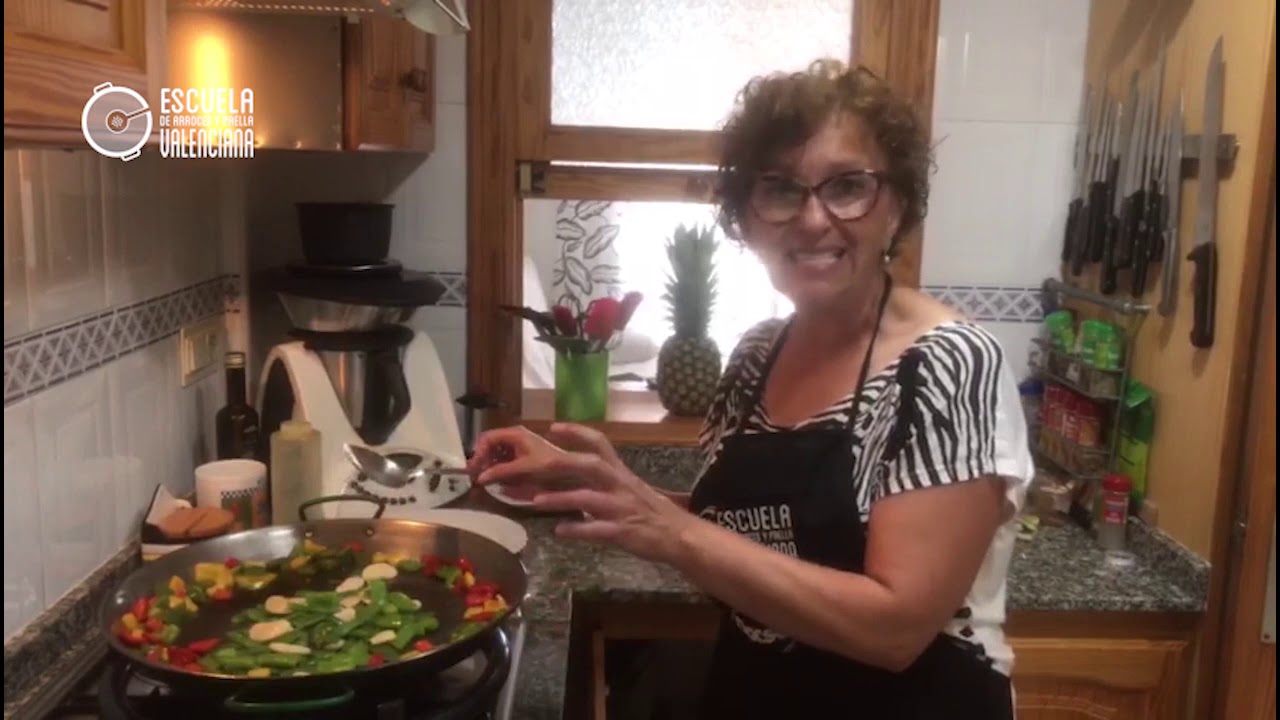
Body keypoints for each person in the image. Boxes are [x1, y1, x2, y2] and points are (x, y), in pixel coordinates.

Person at [469, 58, 1034, 718]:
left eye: (848, 186)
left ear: (898, 205)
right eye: (781, 190)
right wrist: (600, 486)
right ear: (747, 218)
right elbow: (750, 531)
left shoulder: (949, 363)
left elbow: (896, 629)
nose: (813, 219)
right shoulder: (758, 355)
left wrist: (667, 530)